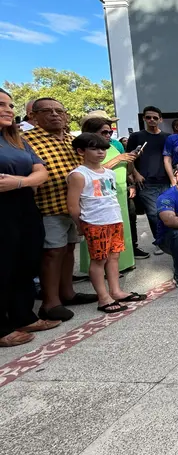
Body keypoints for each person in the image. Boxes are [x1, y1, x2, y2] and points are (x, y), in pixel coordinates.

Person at [23, 98, 91, 322]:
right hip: (47, 206)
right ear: (33, 116)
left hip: (73, 207)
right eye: (48, 111)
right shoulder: (26, 139)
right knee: (52, 252)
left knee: (69, 249)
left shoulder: (71, 140)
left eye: (59, 111)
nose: (55, 115)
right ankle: (50, 303)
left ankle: (67, 292)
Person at [0, 89, 58, 347]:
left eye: (10, 105)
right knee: (2, 267)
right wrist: (24, 182)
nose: (8, 110)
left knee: (26, 262)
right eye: (1, 105)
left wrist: (19, 182)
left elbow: (41, 172)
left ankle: (23, 315)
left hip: (24, 206)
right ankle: (2, 328)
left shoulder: (16, 140)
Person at [67, 133, 147, 314]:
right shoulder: (79, 175)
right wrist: (80, 226)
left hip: (114, 220)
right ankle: (103, 298)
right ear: (81, 151)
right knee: (99, 260)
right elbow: (73, 205)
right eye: (94, 149)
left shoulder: (109, 173)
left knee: (114, 257)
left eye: (103, 148)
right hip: (95, 223)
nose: (100, 152)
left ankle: (116, 291)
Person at [78, 117, 141, 274]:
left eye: (110, 131)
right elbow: (93, 170)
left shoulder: (112, 146)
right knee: (100, 236)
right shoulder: (86, 148)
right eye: (103, 132)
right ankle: (102, 269)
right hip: (97, 196)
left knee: (120, 232)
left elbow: (125, 168)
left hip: (117, 191)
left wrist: (130, 160)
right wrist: (119, 158)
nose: (108, 135)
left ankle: (122, 264)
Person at [126, 106, 170, 255]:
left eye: (155, 117)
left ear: (160, 119)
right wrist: (135, 174)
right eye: (148, 117)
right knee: (153, 213)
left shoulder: (166, 137)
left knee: (166, 212)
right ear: (144, 118)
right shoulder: (136, 137)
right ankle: (159, 241)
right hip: (145, 182)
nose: (152, 120)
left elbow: (169, 159)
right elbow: (129, 159)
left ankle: (166, 239)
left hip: (165, 181)